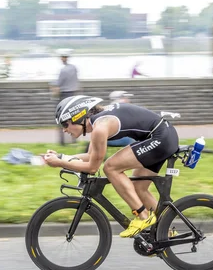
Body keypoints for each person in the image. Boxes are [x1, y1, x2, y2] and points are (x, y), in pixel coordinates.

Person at [43, 95, 179, 238]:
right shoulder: (98, 124)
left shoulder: (100, 129)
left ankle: (143, 217)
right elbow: (91, 157)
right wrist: (61, 157)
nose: (64, 130)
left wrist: (59, 163)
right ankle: (165, 233)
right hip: (161, 136)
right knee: (138, 187)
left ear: (78, 117)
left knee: (110, 167)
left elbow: (92, 168)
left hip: (160, 138)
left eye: (65, 124)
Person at [49, 49, 80, 145]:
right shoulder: (74, 68)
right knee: (73, 119)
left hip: (64, 95)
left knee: (62, 119)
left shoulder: (63, 70)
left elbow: (58, 83)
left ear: (63, 58)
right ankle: (74, 140)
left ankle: (63, 142)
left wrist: (51, 84)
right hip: (73, 95)